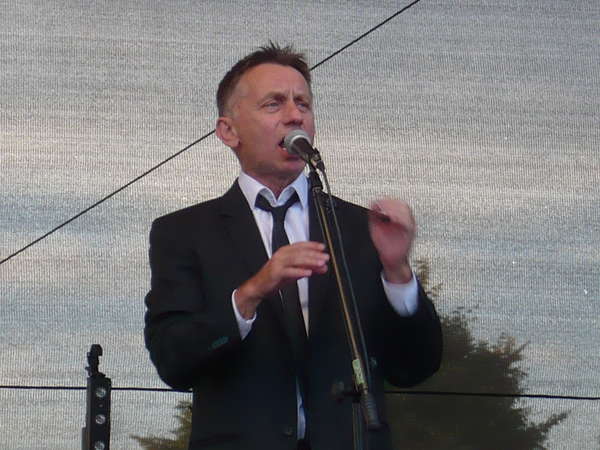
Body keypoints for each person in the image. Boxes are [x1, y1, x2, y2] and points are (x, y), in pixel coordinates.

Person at [144, 43, 442, 450]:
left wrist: (398, 273)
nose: (294, 115)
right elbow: (173, 360)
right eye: (274, 104)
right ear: (229, 131)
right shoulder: (185, 232)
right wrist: (251, 293)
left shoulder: (360, 229)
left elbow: (414, 367)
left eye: (303, 103)